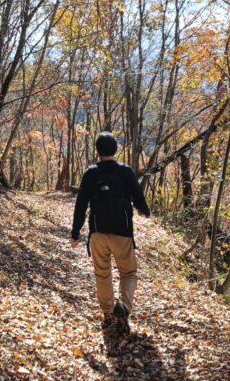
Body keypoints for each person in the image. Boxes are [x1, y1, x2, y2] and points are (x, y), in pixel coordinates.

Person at [70, 132, 150, 332]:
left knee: (102, 273)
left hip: (98, 233)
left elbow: (81, 205)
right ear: (116, 149)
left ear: (97, 151)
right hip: (122, 232)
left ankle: (107, 313)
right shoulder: (126, 172)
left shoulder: (91, 173)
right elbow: (139, 199)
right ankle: (124, 308)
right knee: (128, 272)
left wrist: (75, 232)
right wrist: (145, 211)